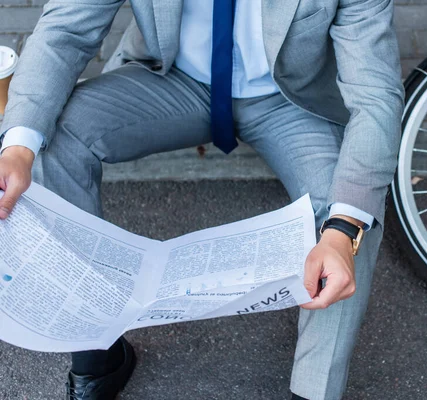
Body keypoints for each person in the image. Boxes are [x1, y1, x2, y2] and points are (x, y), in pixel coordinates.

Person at [0, 1, 404, 399]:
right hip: (177, 78)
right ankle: (96, 354)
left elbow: (376, 95)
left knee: (349, 215)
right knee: (48, 142)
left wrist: (343, 228)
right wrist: (17, 147)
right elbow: (65, 30)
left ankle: (314, 390)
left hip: (289, 100)